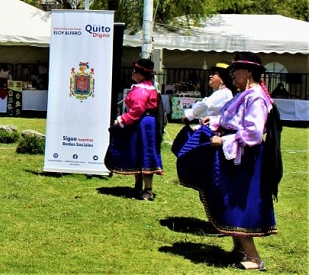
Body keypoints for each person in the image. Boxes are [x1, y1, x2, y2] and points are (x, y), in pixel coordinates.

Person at [177, 52, 279, 270]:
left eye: (236, 71)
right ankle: (239, 249)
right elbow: (231, 119)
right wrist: (213, 121)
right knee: (226, 198)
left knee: (237, 203)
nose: (232, 75)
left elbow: (253, 133)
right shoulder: (244, 94)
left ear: (249, 72)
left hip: (244, 158)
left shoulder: (256, 97)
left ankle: (254, 258)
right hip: (232, 154)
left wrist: (223, 140)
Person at [104, 58, 163, 201]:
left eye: (135, 71)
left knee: (145, 153)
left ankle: (147, 190)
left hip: (143, 124)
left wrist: (122, 120)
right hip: (144, 122)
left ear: (141, 74)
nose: (133, 73)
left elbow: (137, 109)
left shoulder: (142, 90)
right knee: (139, 151)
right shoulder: (147, 87)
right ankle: (139, 186)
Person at [172, 62, 236, 156]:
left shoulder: (223, 93)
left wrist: (189, 115)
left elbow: (205, 105)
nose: (211, 76)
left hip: (212, 133)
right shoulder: (221, 93)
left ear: (222, 79)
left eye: (214, 74)